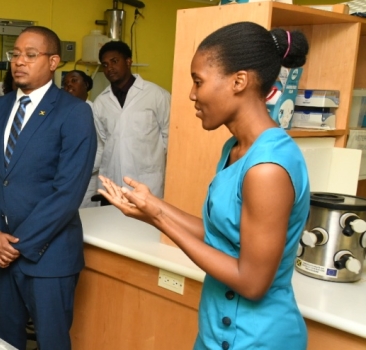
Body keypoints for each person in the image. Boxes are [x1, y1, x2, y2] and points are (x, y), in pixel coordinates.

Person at [98, 22, 310, 349]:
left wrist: (160, 220)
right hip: (216, 331)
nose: (192, 94)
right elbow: (222, 238)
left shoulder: (268, 168)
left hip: (259, 338)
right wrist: (152, 207)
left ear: (239, 81)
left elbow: (252, 282)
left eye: (199, 81)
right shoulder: (236, 149)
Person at [0, 26, 96, 349]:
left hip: (48, 258)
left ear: (54, 61)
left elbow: (67, 194)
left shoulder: (75, 113)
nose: (19, 62)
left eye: (30, 55)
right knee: (4, 341)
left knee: (52, 342)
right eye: (15, 54)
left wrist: (16, 245)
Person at [93, 40, 171, 198]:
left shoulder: (156, 95)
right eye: (105, 65)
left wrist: (149, 157)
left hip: (147, 180)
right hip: (113, 180)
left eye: (114, 61)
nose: (109, 68)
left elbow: (170, 137)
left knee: (146, 222)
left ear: (128, 62)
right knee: (112, 221)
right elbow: (103, 141)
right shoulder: (100, 102)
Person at [63, 70, 101, 208]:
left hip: (87, 177)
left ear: (86, 84)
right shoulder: (65, 113)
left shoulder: (94, 111)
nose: (69, 86)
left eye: (74, 81)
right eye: (65, 84)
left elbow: (101, 147)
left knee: (86, 219)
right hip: (67, 178)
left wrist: (81, 170)